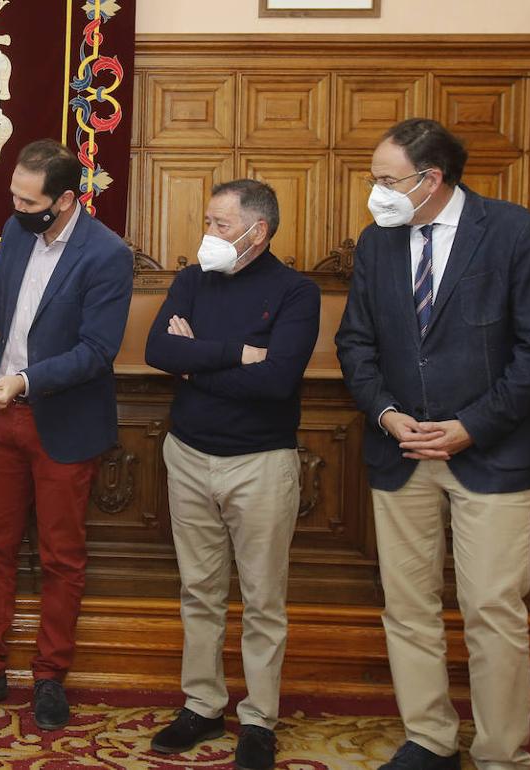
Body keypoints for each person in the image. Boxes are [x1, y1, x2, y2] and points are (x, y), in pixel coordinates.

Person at [336, 118, 530, 770]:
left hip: (491, 454)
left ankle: (502, 754)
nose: (377, 192)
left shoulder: (512, 231)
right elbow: (356, 344)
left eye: (387, 180)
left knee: (492, 612)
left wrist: (472, 425)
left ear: (432, 179)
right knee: (409, 606)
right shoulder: (377, 243)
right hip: (401, 454)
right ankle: (430, 739)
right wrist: (388, 414)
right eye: (374, 179)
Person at [0, 139, 132, 731]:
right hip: (2, 418)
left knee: (61, 557)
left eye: (28, 199)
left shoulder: (107, 255)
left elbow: (97, 352)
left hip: (62, 420)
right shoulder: (17, 233)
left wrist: (24, 380)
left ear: (66, 199)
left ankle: (48, 678)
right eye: (12, 193)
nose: (15, 206)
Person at [144, 180, 320, 770]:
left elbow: (276, 382)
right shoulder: (193, 279)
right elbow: (159, 351)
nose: (208, 235)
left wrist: (201, 360)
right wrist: (239, 352)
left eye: (221, 225)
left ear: (257, 231)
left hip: (261, 463)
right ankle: (202, 704)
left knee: (264, 598)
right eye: (208, 221)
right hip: (189, 453)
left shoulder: (295, 291)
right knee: (199, 591)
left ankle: (259, 719)